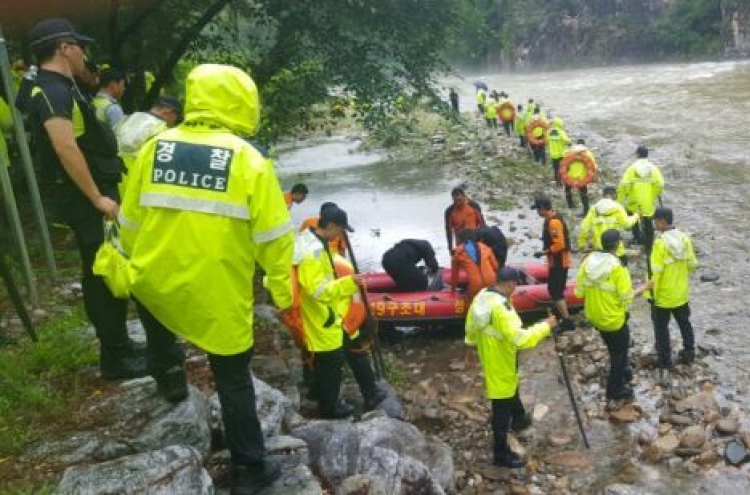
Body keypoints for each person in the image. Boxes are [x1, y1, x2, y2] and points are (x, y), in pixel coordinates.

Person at [119, 64, 292, 493]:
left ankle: (172, 384)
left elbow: (130, 221)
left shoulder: (154, 150)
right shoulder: (249, 161)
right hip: (216, 287)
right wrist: (282, 290)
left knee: (161, 328)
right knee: (232, 377)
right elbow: (273, 236)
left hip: (157, 278)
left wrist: (128, 262)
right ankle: (249, 468)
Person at [26, 18, 145, 380]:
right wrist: (96, 197)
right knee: (102, 273)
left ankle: (119, 344)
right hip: (86, 198)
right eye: (80, 46)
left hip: (91, 193)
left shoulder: (60, 86)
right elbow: (64, 146)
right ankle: (116, 357)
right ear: (64, 47)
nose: (85, 54)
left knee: (104, 270)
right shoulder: (52, 91)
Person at [465, 266, 557, 468]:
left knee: (510, 386)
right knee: (501, 405)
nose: (516, 288)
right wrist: (546, 326)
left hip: (489, 353)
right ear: (509, 284)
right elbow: (521, 339)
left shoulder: (483, 296)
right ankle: (500, 453)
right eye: (515, 284)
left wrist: (472, 346)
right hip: (500, 358)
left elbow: (470, 326)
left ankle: (520, 420)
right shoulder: (501, 309)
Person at [294, 205, 363, 419]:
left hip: (313, 311)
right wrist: (349, 283)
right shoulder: (314, 252)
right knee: (331, 360)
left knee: (323, 359)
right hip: (319, 314)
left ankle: (317, 394)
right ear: (332, 226)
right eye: (341, 230)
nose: (340, 235)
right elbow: (318, 290)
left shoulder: (309, 239)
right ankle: (330, 407)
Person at [575, 230, 647, 409]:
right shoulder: (617, 268)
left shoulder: (587, 262)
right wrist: (645, 286)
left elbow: (578, 292)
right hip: (612, 319)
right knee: (620, 353)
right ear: (617, 245)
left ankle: (623, 373)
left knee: (613, 347)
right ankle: (615, 389)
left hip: (594, 315)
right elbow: (627, 297)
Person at [639, 207, 697, 381]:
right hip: (680, 293)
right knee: (684, 323)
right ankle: (689, 352)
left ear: (663, 222)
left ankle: (664, 361)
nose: (655, 224)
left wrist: (649, 292)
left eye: (656, 221)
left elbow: (656, 272)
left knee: (661, 329)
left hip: (662, 296)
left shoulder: (660, 244)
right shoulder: (684, 238)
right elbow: (692, 264)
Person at [115, 95, 183, 193]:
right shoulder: (161, 130)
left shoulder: (129, 119)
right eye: (176, 119)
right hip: (140, 183)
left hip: (117, 180)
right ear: (168, 112)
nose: (174, 123)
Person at [532, 195, 574, 331]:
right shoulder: (550, 219)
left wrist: (544, 252)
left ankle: (567, 321)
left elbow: (560, 244)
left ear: (543, 209)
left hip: (559, 262)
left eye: (538, 209)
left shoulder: (553, 222)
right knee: (554, 289)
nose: (537, 213)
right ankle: (561, 315)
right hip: (555, 261)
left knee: (556, 291)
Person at [617, 145, 664, 254]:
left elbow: (623, 184)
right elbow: (661, 184)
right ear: (647, 155)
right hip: (648, 202)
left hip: (634, 202)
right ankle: (649, 246)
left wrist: (620, 200)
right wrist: (654, 193)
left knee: (633, 218)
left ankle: (637, 238)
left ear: (637, 154)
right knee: (648, 223)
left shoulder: (632, 168)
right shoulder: (653, 169)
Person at [577, 186, 639, 266]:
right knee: (621, 270)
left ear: (603, 195)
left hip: (600, 249)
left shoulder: (594, 209)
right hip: (616, 249)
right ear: (613, 195)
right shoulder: (617, 207)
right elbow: (627, 224)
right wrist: (636, 216)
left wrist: (582, 243)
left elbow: (584, 228)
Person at [451, 229, 498, 302]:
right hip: (491, 280)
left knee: (471, 303)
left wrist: (452, 290)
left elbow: (454, 275)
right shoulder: (485, 247)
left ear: (459, 239)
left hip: (476, 284)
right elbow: (496, 266)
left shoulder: (458, 252)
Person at [562, 139, 597, 216]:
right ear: (584, 145)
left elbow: (564, 163)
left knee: (567, 190)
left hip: (570, 176)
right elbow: (593, 166)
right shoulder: (588, 153)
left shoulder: (569, 152)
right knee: (583, 195)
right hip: (582, 178)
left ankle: (570, 205)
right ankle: (586, 210)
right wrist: (593, 176)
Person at [444, 187, 485, 253]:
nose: (457, 203)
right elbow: (448, 231)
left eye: (459, 200)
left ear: (464, 197)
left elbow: (482, 224)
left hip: (475, 241)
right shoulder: (449, 211)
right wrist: (450, 248)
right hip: (460, 244)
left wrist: (484, 242)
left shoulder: (474, 206)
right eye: (455, 200)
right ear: (453, 199)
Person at [546, 117, 571, 186]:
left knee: (556, 168)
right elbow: (567, 141)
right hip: (561, 153)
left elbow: (546, 141)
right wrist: (569, 143)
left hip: (553, 154)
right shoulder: (561, 132)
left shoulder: (549, 132)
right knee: (562, 168)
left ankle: (557, 182)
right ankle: (562, 181)